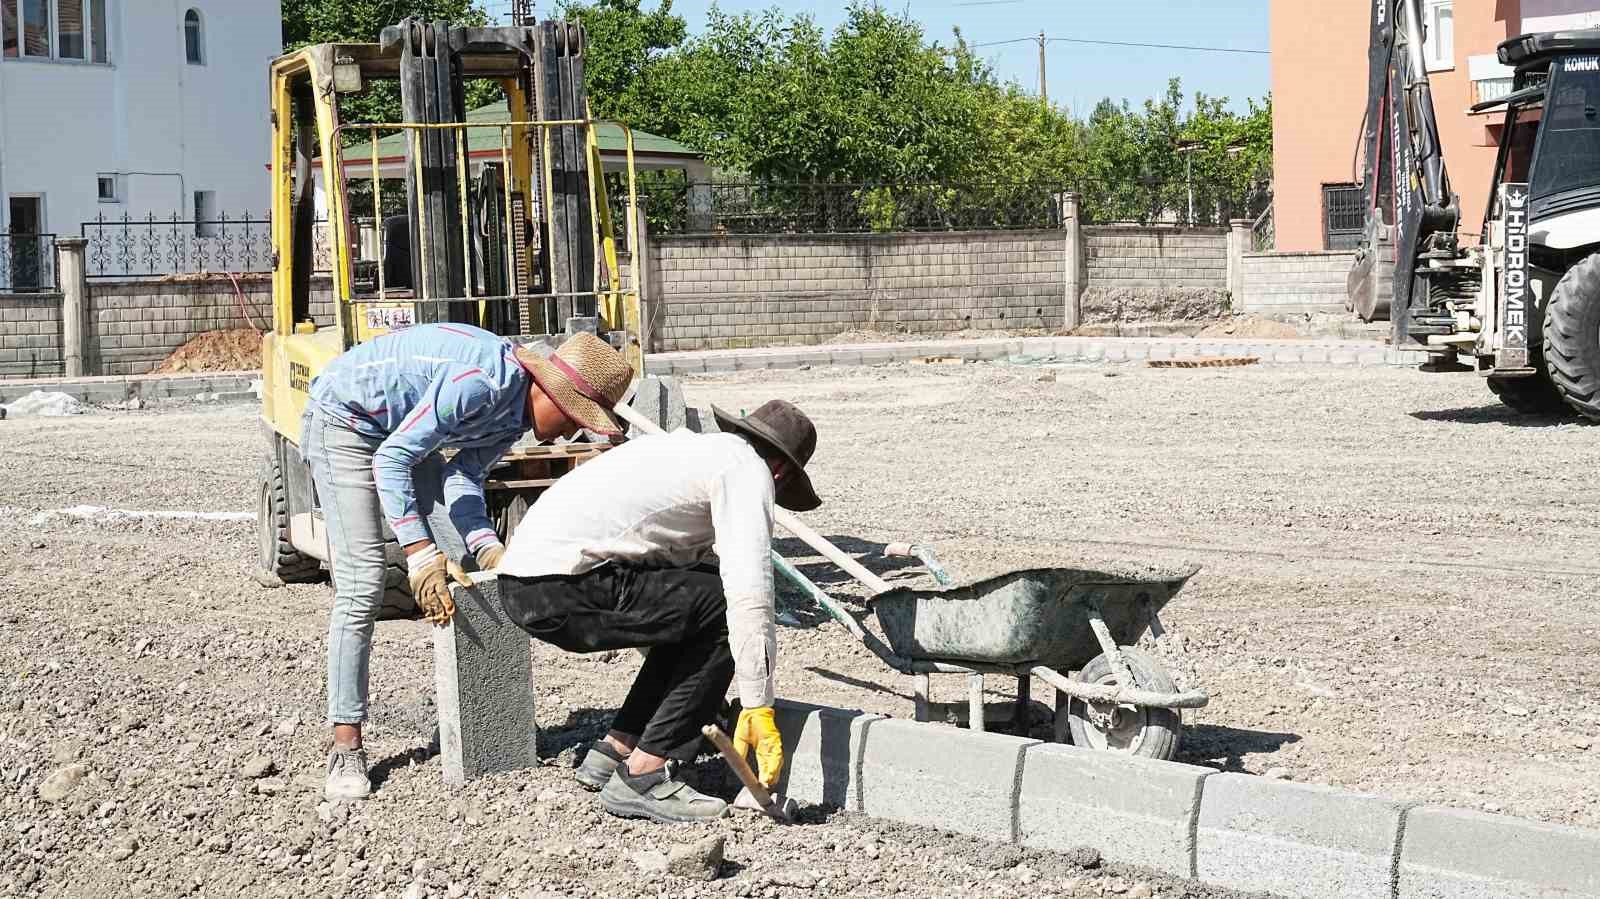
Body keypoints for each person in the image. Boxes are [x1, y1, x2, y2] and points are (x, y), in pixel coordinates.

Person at [301, 323, 633, 800]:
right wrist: (419, 554)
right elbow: (392, 461)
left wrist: (487, 548)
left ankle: (484, 727)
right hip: (346, 419)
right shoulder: (481, 383)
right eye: (572, 416)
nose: (571, 430)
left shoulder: (514, 416)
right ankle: (345, 744)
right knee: (364, 582)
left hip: (403, 430)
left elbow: (461, 477)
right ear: (548, 390)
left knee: (471, 572)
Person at [495, 400, 821, 824]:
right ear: (781, 473)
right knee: (724, 607)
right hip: (563, 583)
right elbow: (749, 591)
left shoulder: (690, 453)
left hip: (524, 582)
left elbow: (677, 589)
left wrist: (698, 685)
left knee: (696, 602)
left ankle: (618, 748)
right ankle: (645, 775)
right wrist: (759, 704)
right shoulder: (747, 470)